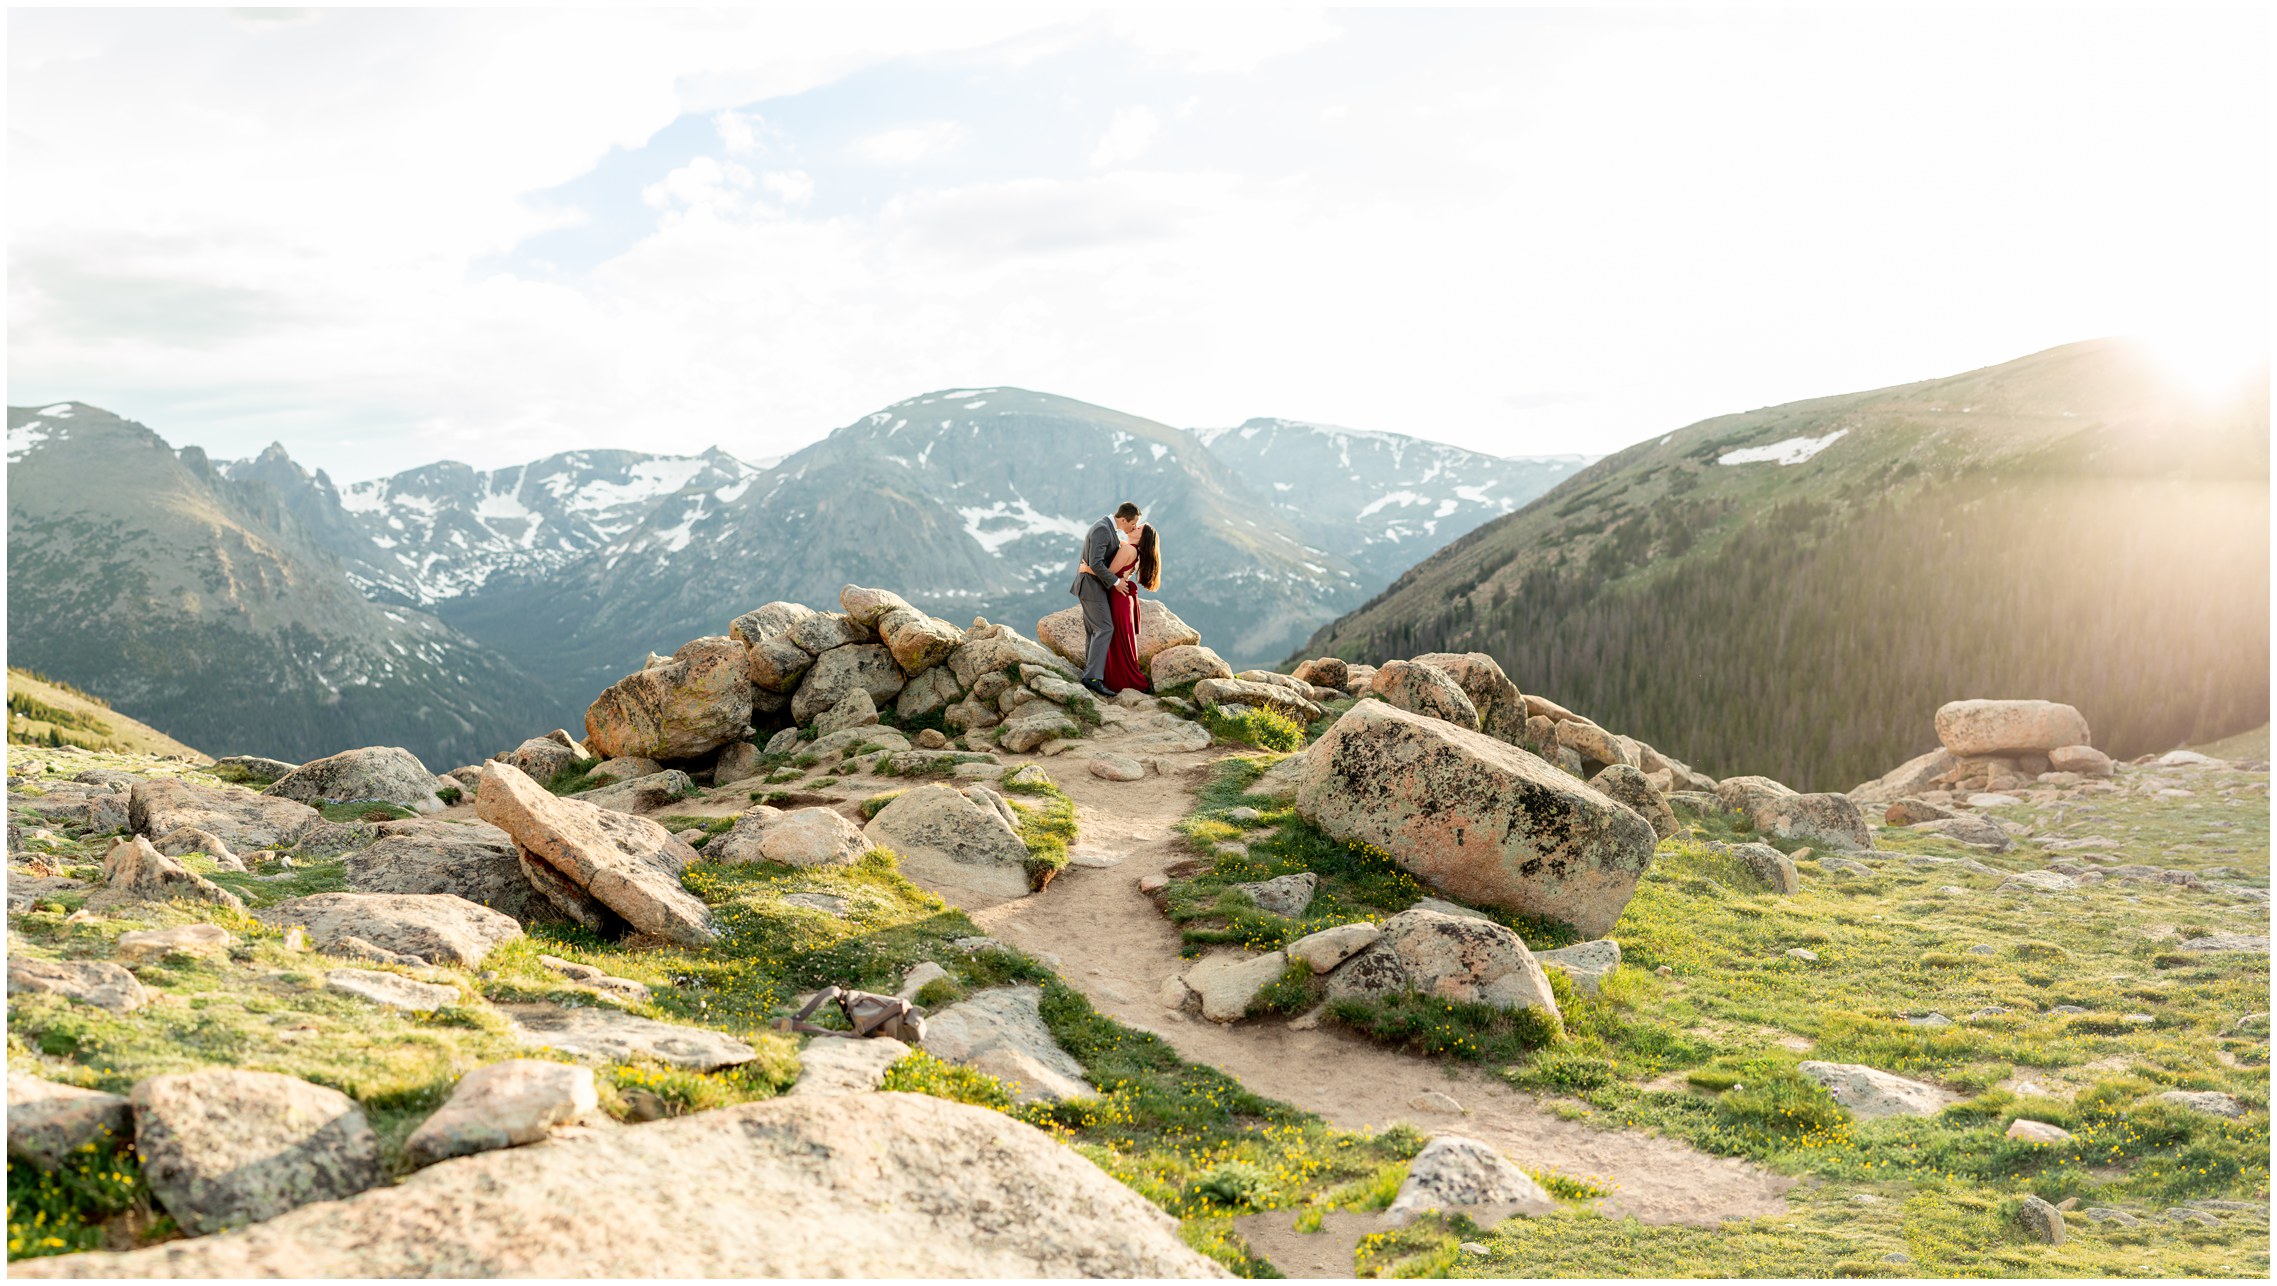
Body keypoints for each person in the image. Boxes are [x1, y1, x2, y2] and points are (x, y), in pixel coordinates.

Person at [1071, 501, 1141, 697]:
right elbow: (1095, 562)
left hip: (1092, 586)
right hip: (1091, 587)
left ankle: (1090, 673)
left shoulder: (1107, 527)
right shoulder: (1102, 529)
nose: (1133, 527)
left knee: (1094, 630)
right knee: (1105, 628)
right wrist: (1117, 582)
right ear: (1123, 519)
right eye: (1133, 523)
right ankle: (1093, 678)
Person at [1102, 522, 1160, 694]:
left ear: (1143, 538)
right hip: (1124, 598)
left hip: (1117, 597)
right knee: (1121, 641)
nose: (1134, 528)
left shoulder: (1128, 550)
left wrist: (1086, 568)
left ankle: (1118, 681)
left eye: (1139, 528)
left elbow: (1107, 573)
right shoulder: (1133, 549)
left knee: (1117, 640)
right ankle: (1124, 678)